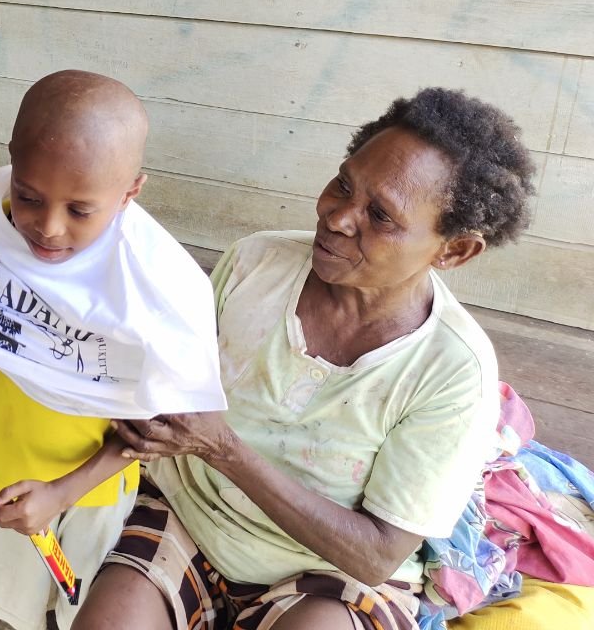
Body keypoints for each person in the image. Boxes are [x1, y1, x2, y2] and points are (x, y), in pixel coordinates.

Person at [73, 87, 538, 630]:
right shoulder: (256, 262)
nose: (339, 217)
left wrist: (223, 448)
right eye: (343, 184)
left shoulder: (453, 371)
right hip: (188, 516)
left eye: (381, 216)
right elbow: (170, 391)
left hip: (329, 574)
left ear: (453, 249)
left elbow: (375, 554)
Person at [0, 70, 227, 630]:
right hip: (5, 472)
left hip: (91, 496)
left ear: (131, 192)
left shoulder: (148, 290)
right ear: (10, 166)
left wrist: (61, 494)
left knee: (78, 612)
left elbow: (152, 428)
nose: (48, 227)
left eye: (81, 210)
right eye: (28, 196)